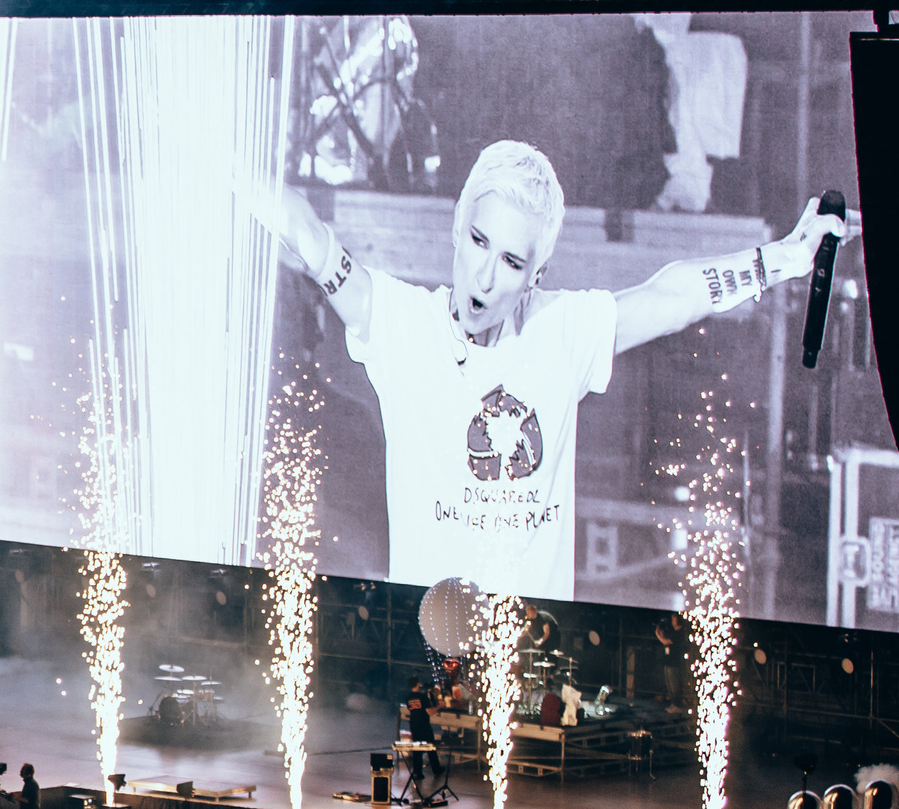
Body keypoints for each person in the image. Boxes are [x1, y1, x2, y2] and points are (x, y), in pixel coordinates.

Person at [253, 145, 845, 598]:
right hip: (430, 655)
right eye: (479, 242)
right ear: (457, 232)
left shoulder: (563, 331)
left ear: (536, 274)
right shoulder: (402, 324)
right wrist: (228, 164)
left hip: (533, 665)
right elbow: (310, 236)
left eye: (511, 261)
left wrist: (783, 259)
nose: (485, 277)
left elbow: (671, 296)